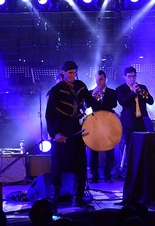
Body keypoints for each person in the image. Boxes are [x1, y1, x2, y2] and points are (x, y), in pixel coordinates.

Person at [45, 60, 99, 212]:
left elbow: (92, 102)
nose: (73, 75)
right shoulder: (56, 90)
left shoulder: (80, 86)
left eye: (75, 72)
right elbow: (49, 115)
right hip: (61, 135)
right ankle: (53, 202)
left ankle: (78, 199)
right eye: (70, 72)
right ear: (63, 73)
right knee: (57, 169)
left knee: (81, 168)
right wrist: (55, 134)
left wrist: (109, 111)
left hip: (77, 133)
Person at [115, 66, 154, 176]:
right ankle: (131, 172)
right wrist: (132, 92)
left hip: (142, 121)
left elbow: (151, 101)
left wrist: (143, 93)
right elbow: (123, 102)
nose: (132, 79)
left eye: (134, 76)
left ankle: (143, 170)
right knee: (130, 146)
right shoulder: (120, 89)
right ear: (125, 77)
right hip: (129, 122)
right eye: (129, 76)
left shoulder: (142, 87)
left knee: (143, 146)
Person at [88, 69, 118, 183]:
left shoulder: (112, 92)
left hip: (108, 124)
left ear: (105, 79)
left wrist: (102, 96)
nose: (99, 81)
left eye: (101, 79)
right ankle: (94, 176)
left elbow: (113, 105)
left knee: (109, 150)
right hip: (95, 124)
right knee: (93, 151)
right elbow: (86, 106)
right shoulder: (91, 92)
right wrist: (93, 95)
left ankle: (108, 175)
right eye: (97, 79)